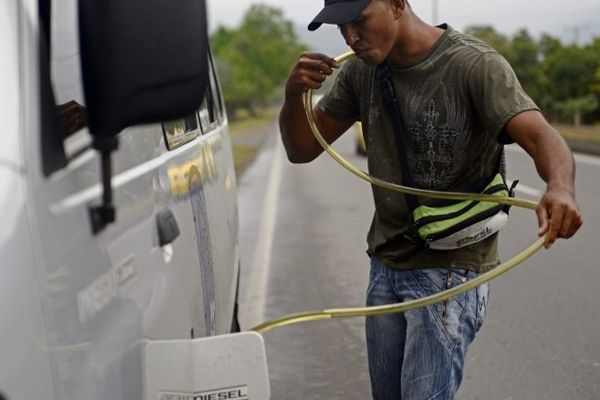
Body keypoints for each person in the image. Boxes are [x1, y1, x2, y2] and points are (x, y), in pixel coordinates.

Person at [278, 0, 583, 399]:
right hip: (386, 265)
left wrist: (560, 186)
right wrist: (292, 95)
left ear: (396, 4)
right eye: (341, 27)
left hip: (450, 269)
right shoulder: (360, 72)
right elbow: (301, 149)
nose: (351, 36)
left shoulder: (473, 64)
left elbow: (541, 136)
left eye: (359, 21)